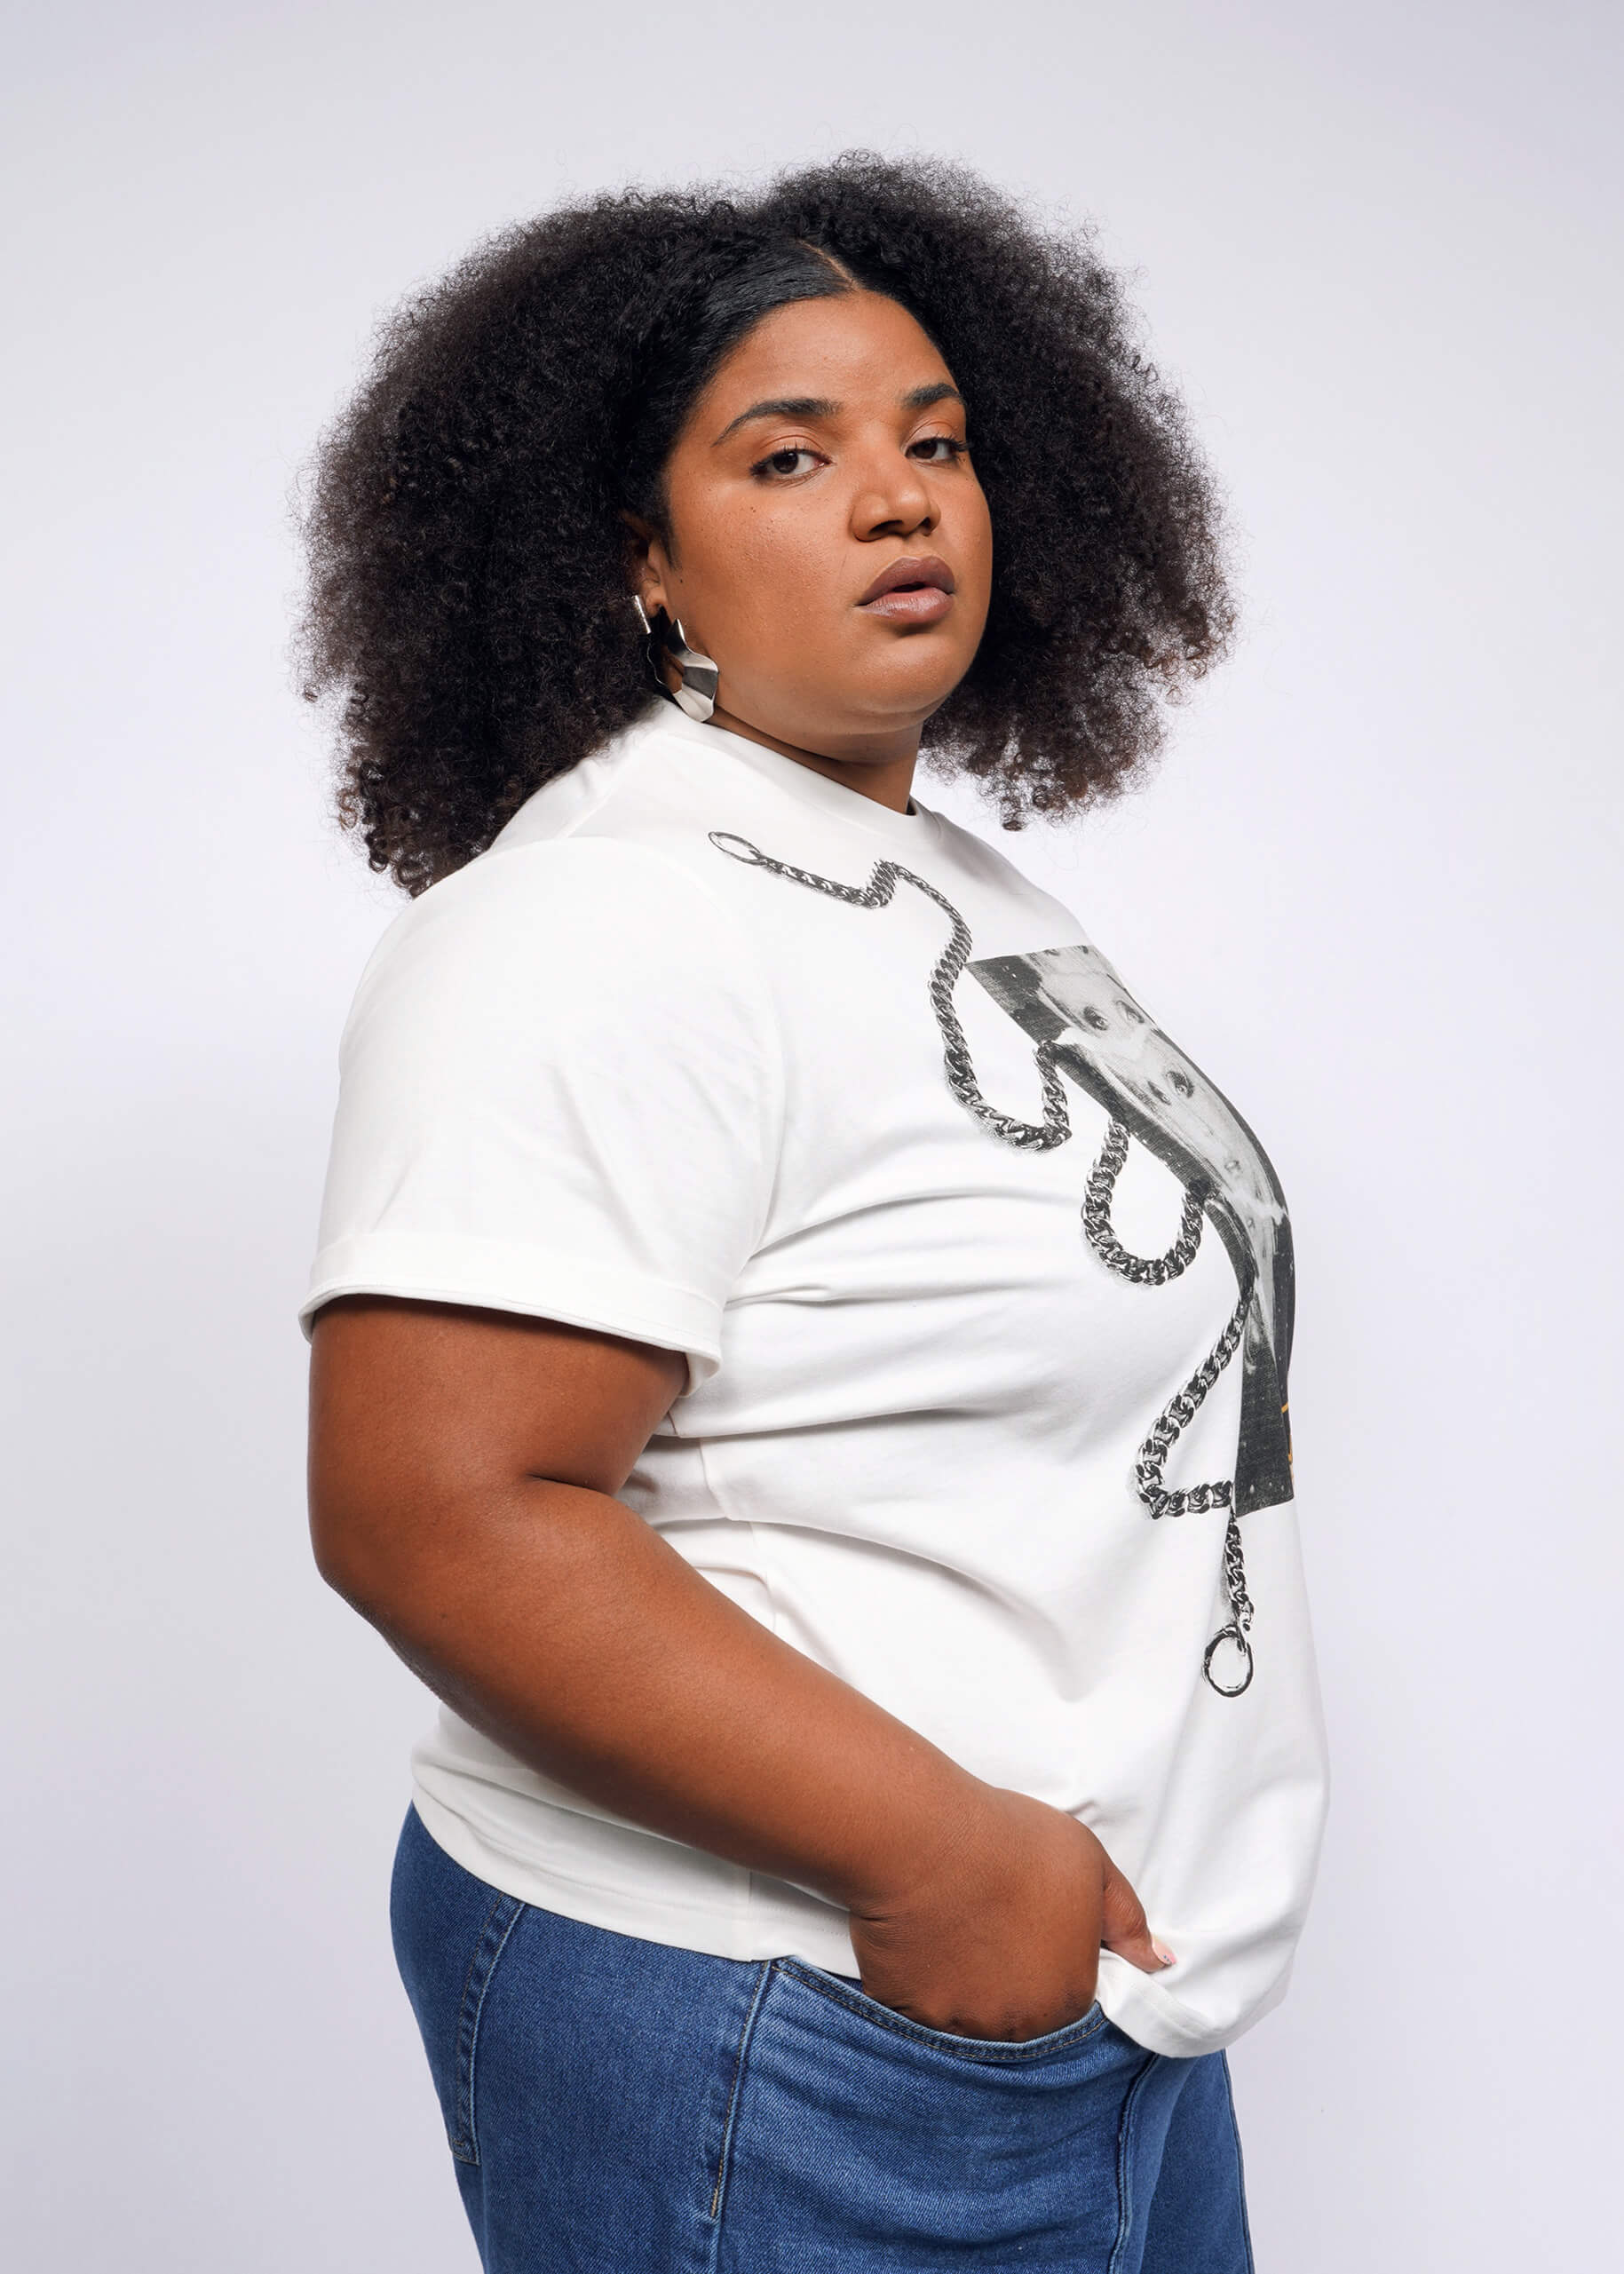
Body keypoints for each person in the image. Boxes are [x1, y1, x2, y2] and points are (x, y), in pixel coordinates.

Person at [297, 153, 1328, 2273]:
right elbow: (438, 1505)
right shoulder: (598, 921)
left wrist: (1057, 1902)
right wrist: (952, 1866)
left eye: (936, 440)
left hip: (1074, 1998)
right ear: (638, 560)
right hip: (799, 2004)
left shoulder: (917, 878)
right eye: (792, 454)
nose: (899, 499)